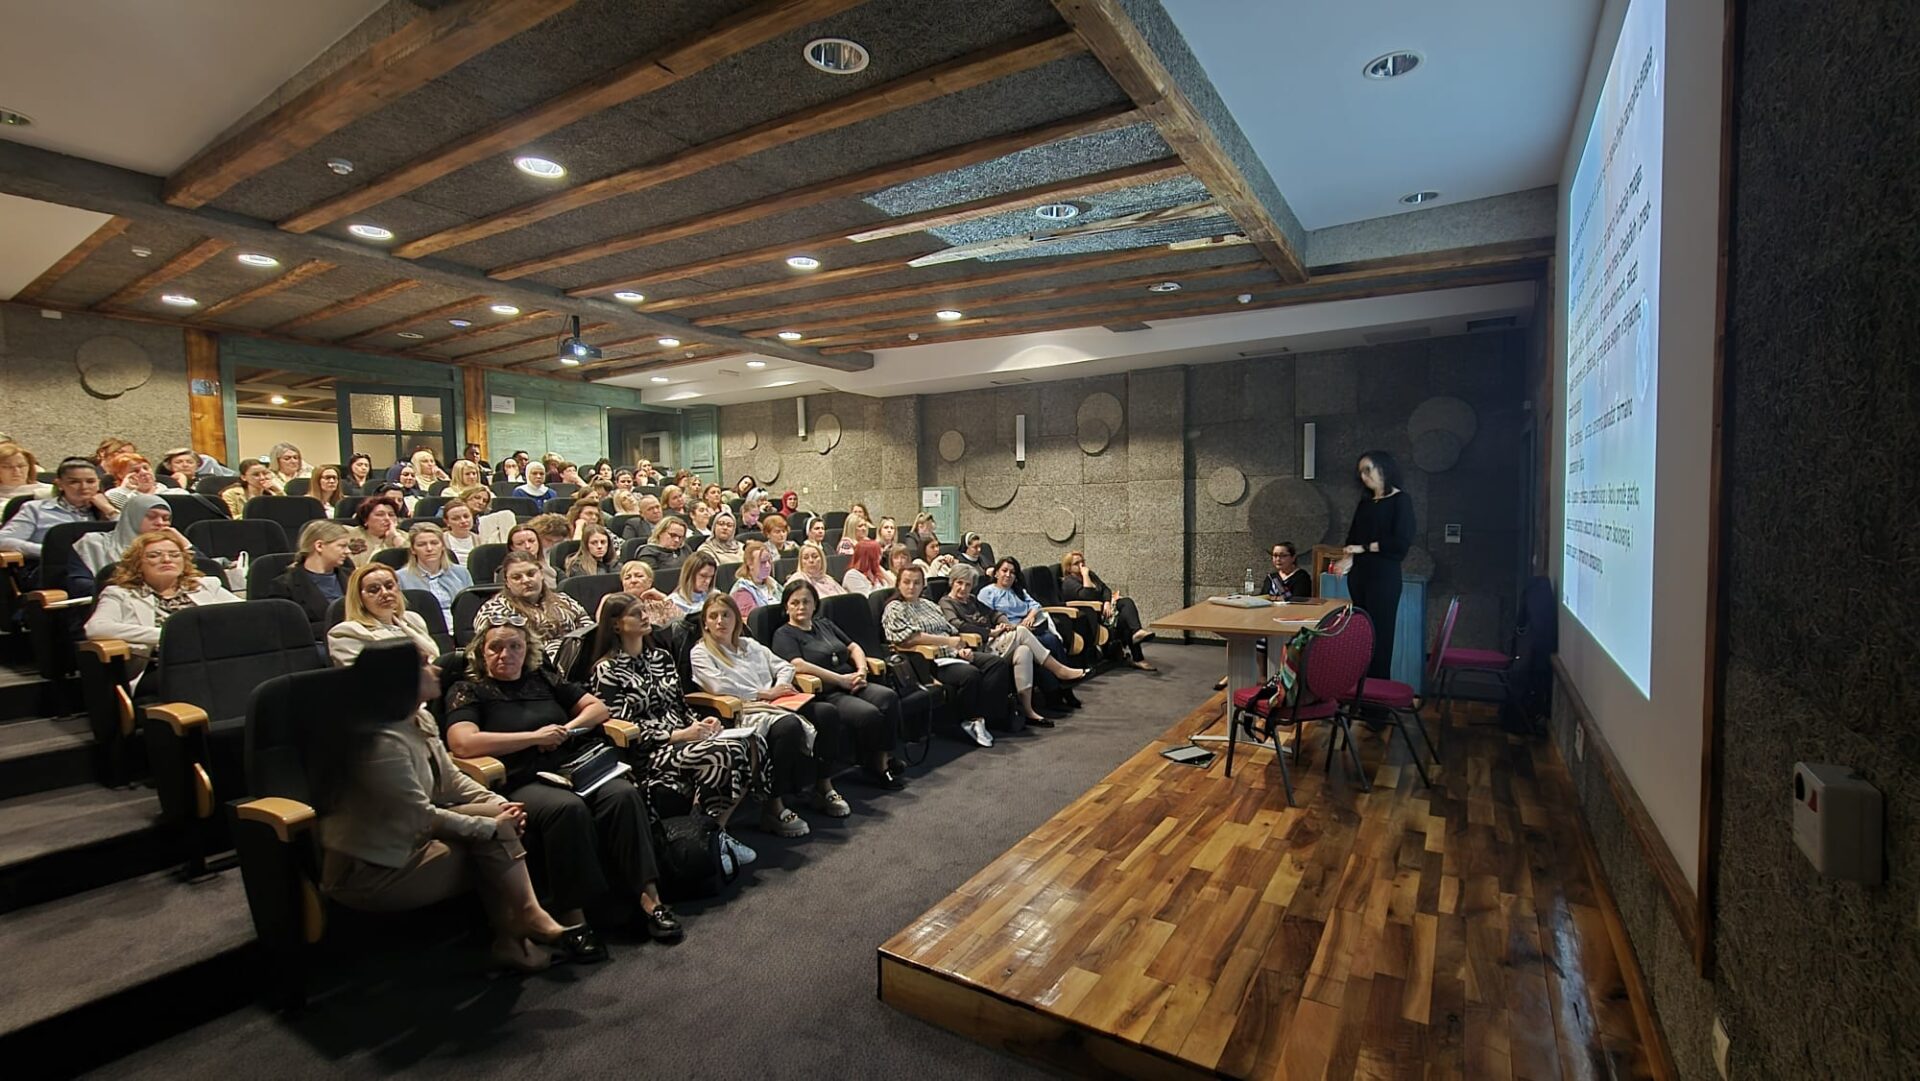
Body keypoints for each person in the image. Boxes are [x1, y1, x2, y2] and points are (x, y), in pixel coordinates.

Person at [310, 645, 579, 973]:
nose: (436, 669)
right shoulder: (381, 743)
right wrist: (491, 827)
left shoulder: (418, 719)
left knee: (497, 823)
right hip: (373, 869)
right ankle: (521, 927)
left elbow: (451, 781)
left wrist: (497, 803)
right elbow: (420, 816)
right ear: (398, 679)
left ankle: (521, 926)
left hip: (412, 840)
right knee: (495, 839)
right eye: (424, 665)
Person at [446, 618, 683, 947]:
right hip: (521, 778)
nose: (505, 654)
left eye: (515, 646)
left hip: (572, 768)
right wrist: (533, 738)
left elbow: (597, 709)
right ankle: (574, 918)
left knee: (623, 794)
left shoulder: (543, 679)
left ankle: (650, 900)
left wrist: (565, 731)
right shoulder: (468, 690)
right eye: (495, 648)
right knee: (567, 809)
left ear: (527, 650)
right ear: (481, 653)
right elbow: (462, 743)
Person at [587, 594, 763, 867]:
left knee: (753, 742)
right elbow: (623, 726)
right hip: (650, 750)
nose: (644, 616)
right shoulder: (607, 669)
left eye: (644, 610)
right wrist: (676, 736)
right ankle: (710, 841)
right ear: (616, 624)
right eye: (635, 613)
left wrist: (702, 723)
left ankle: (712, 835)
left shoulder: (662, 657)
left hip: (685, 737)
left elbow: (681, 705)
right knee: (721, 754)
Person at [688, 595, 817, 838]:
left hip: (774, 702)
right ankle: (773, 804)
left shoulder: (749, 645)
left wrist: (779, 687)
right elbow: (718, 686)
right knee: (788, 727)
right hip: (741, 710)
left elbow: (785, 666)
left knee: (824, 712)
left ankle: (821, 789)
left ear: (736, 619)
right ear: (705, 623)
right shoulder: (701, 652)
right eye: (713, 616)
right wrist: (764, 694)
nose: (720, 621)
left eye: (726, 615)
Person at [773, 579, 906, 790]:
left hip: (852, 680)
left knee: (888, 697)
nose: (801, 607)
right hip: (828, 691)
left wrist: (861, 670)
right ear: (786, 607)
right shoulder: (784, 634)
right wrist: (840, 680)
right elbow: (798, 665)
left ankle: (882, 760)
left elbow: (854, 647)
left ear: (815, 604)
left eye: (806, 602)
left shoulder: (824, 624)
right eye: (795, 603)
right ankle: (874, 763)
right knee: (869, 714)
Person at [882, 566, 1015, 748]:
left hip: (952, 653)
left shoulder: (928, 605)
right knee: (970, 674)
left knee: (996, 664)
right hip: (928, 660)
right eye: (906, 582)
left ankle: (983, 717)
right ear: (898, 584)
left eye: (916, 583)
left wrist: (961, 648)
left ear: (923, 585)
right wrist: (946, 642)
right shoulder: (894, 608)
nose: (911, 587)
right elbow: (909, 638)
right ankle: (967, 721)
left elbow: (951, 631)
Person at [85, 531, 241, 685]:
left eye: (175, 555)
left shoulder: (206, 586)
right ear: (137, 564)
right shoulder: (120, 594)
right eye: (154, 556)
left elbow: (245, 616)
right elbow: (96, 628)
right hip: (160, 669)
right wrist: (166, 635)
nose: (167, 560)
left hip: (217, 661)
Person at [942, 565, 1085, 724]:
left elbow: (994, 614)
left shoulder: (972, 599)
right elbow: (957, 625)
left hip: (995, 641)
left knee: (1024, 651)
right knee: (1022, 632)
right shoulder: (946, 602)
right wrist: (990, 632)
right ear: (952, 582)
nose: (963, 588)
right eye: (959, 583)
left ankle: (1029, 711)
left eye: (968, 585)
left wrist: (1005, 624)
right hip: (977, 647)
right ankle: (1060, 671)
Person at [1335, 451, 1415, 680]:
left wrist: (1363, 548)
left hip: (1384, 577)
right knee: (1362, 635)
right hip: (1360, 576)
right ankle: (1359, 688)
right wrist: (1347, 558)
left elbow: (1399, 543)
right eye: (1360, 472)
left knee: (1380, 635)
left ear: (1384, 469)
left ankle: (1377, 693)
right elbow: (1352, 539)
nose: (1364, 476)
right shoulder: (1365, 504)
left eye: (1368, 470)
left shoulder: (1401, 501)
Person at [474, 550, 591, 663]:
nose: (525, 580)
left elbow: (589, 631)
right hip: (531, 667)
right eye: (516, 577)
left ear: (541, 574)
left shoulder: (563, 599)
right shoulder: (494, 610)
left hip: (578, 660)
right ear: (507, 582)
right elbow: (497, 651)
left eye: (531, 574)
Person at [68, 492, 188, 597]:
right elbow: (79, 585)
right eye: (151, 517)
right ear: (132, 517)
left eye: (166, 518)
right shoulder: (94, 542)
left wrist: (185, 544)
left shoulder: (171, 546)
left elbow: (195, 575)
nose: (160, 523)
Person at [0, 456, 116, 561]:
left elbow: (124, 542)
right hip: (53, 567)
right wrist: (49, 551)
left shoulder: (107, 510)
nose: (84, 487)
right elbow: (3, 540)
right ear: (60, 484)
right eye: (74, 482)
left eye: (90, 481)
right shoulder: (35, 509)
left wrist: (109, 510)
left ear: (98, 483)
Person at [257, 520, 355, 642]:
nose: (348, 551)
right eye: (342, 546)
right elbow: (288, 630)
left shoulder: (353, 576)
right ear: (319, 546)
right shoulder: (284, 586)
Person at [329, 563, 438, 666]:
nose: (385, 593)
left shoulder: (413, 619)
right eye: (374, 590)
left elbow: (435, 657)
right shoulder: (345, 632)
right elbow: (363, 674)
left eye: (389, 586)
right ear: (359, 598)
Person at [1061, 550, 1153, 670]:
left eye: (1083, 561)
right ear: (1068, 568)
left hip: (1105, 612)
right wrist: (1085, 575)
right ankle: (1138, 658)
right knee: (1125, 620)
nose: (1082, 565)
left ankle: (1137, 632)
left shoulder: (1091, 575)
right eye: (1077, 563)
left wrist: (1107, 603)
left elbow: (1105, 589)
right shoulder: (1068, 582)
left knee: (1126, 602)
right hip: (1092, 617)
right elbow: (1087, 595)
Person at [395, 521, 472, 626]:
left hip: (461, 626)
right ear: (413, 550)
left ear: (443, 546)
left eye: (434, 543)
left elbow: (471, 607)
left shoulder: (461, 573)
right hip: (422, 629)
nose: (429, 549)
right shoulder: (399, 578)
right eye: (421, 545)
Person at [102, 451, 180, 510]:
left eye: (146, 468)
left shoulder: (176, 492)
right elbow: (141, 511)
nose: (144, 472)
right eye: (135, 471)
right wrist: (127, 489)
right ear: (121, 475)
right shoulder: (113, 494)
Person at [617, 559, 678, 627]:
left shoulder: (661, 602)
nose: (633, 580)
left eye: (639, 576)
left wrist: (665, 599)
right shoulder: (616, 605)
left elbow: (679, 626)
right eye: (627, 578)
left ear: (650, 582)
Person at [729, 540, 781, 617]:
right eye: (763, 562)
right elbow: (754, 619)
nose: (768, 566)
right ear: (750, 564)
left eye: (769, 561)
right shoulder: (742, 590)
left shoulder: (772, 582)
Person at [501, 525, 558, 590]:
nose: (527, 546)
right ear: (512, 547)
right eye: (520, 543)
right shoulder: (505, 573)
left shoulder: (554, 570)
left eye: (531, 541)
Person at [668, 551, 718, 615]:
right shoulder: (673, 603)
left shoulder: (715, 596)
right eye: (703, 576)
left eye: (711, 576)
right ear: (689, 574)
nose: (708, 581)